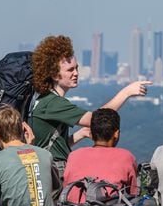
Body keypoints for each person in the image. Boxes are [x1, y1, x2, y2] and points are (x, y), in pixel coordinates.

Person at [30, 35, 151, 181]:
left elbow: (53, 145)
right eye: (70, 70)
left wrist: (80, 135)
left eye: (76, 68)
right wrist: (126, 92)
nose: (76, 73)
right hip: (53, 173)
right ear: (55, 75)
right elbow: (97, 119)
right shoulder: (52, 103)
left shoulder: (44, 100)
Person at [63, 108, 137, 203]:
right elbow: (133, 194)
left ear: (91, 134)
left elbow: (66, 187)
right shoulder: (126, 157)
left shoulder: (74, 156)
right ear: (116, 134)